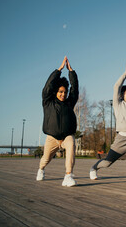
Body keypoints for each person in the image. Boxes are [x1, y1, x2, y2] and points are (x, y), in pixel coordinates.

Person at [36, 56, 79, 187]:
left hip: (66, 136)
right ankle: (41, 170)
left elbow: (75, 89)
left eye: (65, 92)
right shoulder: (47, 102)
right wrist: (59, 70)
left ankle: (68, 176)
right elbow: (47, 87)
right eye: (60, 92)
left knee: (71, 144)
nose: (63, 94)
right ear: (56, 92)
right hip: (52, 138)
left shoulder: (69, 102)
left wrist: (71, 72)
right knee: (45, 159)